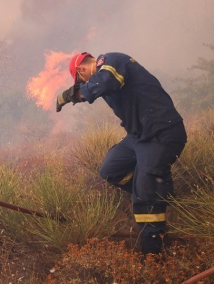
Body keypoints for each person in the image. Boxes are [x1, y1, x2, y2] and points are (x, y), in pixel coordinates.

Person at [56, 52, 187, 254]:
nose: (84, 84)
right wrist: (75, 95)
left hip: (162, 133)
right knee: (111, 169)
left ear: (82, 70)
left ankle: (154, 256)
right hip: (139, 136)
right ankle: (158, 191)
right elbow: (95, 87)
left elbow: (105, 82)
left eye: (81, 80)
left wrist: (70, 94)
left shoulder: (111, 61)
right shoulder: (101, 76)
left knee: (144, 198)